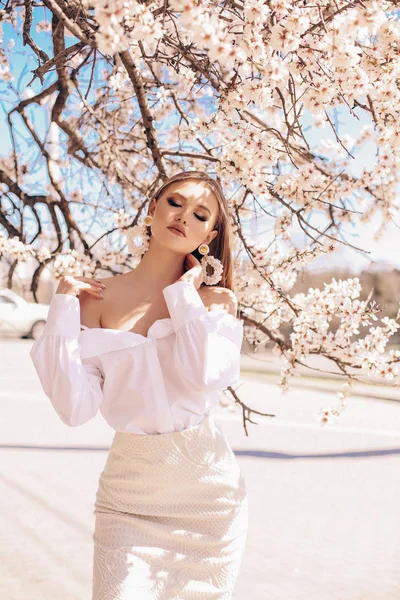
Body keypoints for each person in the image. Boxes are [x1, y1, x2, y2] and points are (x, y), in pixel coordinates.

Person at [29, 170, 248, 600]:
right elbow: (75, 408)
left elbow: (205, 375)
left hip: (209, 497)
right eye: (174, 203)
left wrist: (185, 296)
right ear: (152, 209)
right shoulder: (96, 298)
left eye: (200, 214)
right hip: (130, 498)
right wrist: (61, 309)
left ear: (210, 234)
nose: (184, 215)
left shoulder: (215, 302)